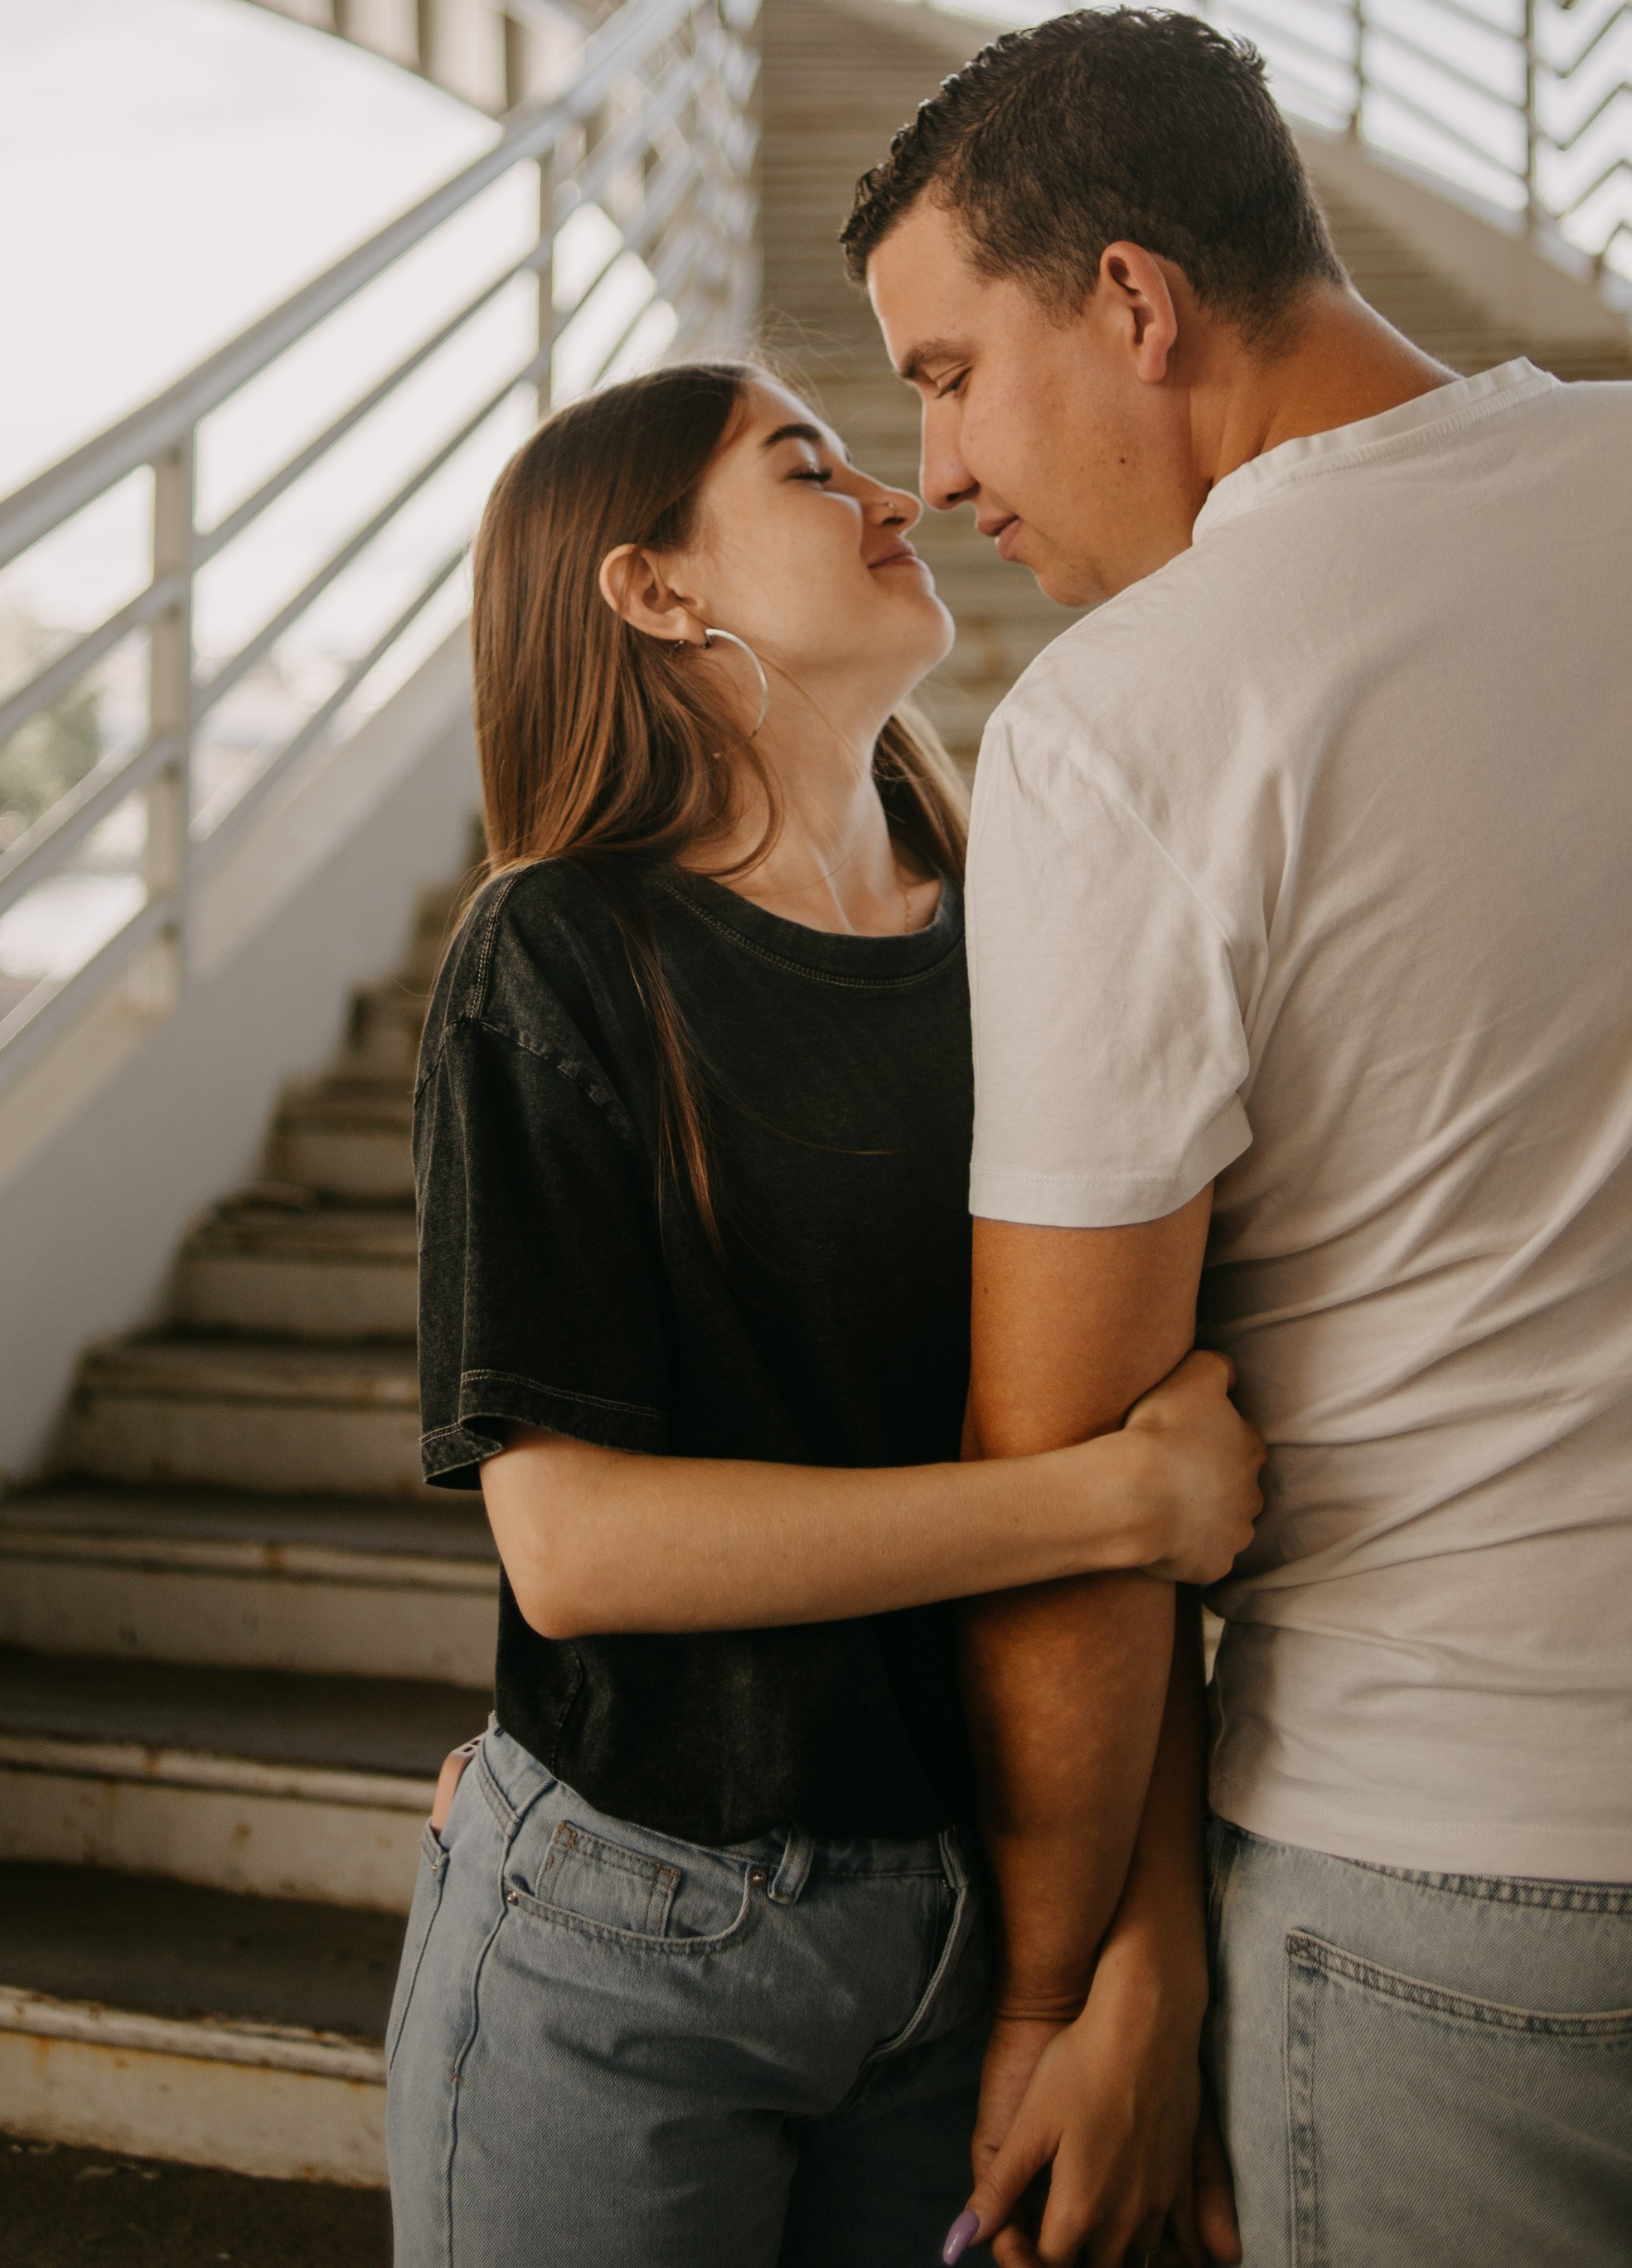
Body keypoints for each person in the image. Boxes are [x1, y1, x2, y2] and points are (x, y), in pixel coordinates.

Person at [845, 6, 1632, 2268]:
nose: (935, 469)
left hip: (1452, 1871)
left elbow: (1061, 1459)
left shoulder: (1138, 718)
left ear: (1131, 299)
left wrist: (1074, 1983)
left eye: (948, 367)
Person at [383, 360, 1266, 2268]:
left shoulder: (1022, 922)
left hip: (963, 1945)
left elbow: (1138, 1502)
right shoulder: (551, 955)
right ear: (653, 591)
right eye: (805, 462)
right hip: (629, 1939)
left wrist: (1144, 1954)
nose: (895, 486)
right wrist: (1110, 1503)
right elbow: (575, 1548)